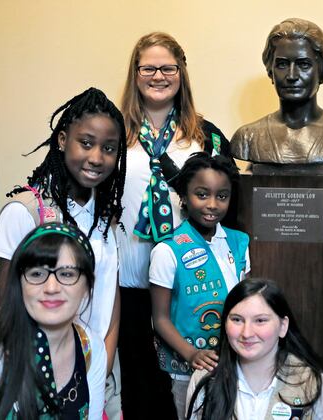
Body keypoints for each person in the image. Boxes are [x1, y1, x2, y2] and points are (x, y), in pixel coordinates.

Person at [0, 87, 125, 417]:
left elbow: (110, 296)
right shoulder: (25, 212)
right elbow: (10, 309)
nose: (97, 157)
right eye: (87, 143)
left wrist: (99, 366)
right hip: (36, 374)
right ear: (63, 140)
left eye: (109, 148)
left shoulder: (106, 216)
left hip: (99, 368)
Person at [117, 31, 233, 418]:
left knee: (189, 386)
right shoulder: (116, 135)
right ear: (135, 74)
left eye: (168, 67)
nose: (158, 75)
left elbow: (225, 201)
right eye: (148, 67)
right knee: (139, 382)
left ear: (181, 73)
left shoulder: (206, 135)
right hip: (130, 279)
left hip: (191, 281)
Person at [0, 223, 107, 419]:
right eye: (37, 274)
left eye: (66, 274)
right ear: (20, 284)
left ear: (86, 287)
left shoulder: (90, 348)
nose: (51, 287)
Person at [149, 152, 250, 419]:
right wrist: (191, 353)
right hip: (186, 368)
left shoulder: (239, 243)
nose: (213, 204)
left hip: (234, 361)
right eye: (202, 194)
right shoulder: (167, 250)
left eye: (222, 196)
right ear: (184, 195)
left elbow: (247, 303)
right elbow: (159, 319)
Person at [186, 278, 323, 419]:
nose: (246, 333)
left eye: (260, 320)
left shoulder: (310, 381)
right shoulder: (205, 379)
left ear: (283, 326)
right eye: (237, 320)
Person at [231, 18, 323, 164]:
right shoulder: (247, 137)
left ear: (321, 71)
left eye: (304, 65)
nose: (292, 76)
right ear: (271, 72)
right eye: (282, 64)